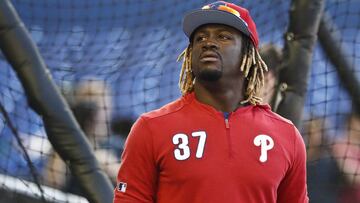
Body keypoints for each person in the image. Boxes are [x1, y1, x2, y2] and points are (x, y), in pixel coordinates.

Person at [113, 1, 308, 202]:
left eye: (223, 36)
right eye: (200, 38)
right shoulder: (151, 128)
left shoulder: (286, 136)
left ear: (247, 54)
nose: (208, 43)